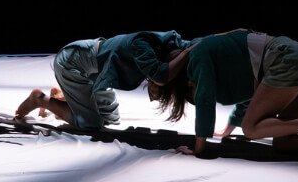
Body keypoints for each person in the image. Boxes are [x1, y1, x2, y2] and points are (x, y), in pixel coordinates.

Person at [148, 29, 298, 163]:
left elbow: (205, 98)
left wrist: (198, 148)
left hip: (286, 59)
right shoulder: (217, 54)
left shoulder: (197, 54)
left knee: (251, 129)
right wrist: (229, 128)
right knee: (284, 144)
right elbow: (251, 96)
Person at [15, 30, 197, 129]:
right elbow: (161, 78)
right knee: (91, 124)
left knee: (111, 117)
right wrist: (188, 53)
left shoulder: (165, 47)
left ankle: (63, 94)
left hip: (92, 69)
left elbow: (196, 43)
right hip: (72, 63)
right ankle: (41, 99)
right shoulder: (143, 47)